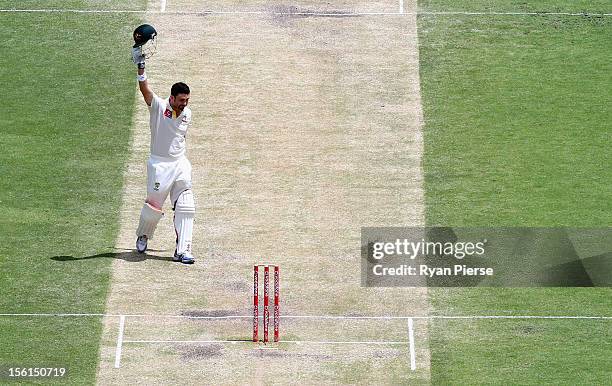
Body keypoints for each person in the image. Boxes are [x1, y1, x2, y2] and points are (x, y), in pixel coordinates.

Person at [131, 40, 196, 264]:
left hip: (180, 163)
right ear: (172, 98)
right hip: (159, 165)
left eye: (187, 100)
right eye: (181, 100)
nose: (184, 104)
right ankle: (143, 235)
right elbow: (144, 89)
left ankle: (183, 250)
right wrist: (141, 67)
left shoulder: (188, 114)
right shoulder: (159, 106)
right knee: (154, 207)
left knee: (186, 205)